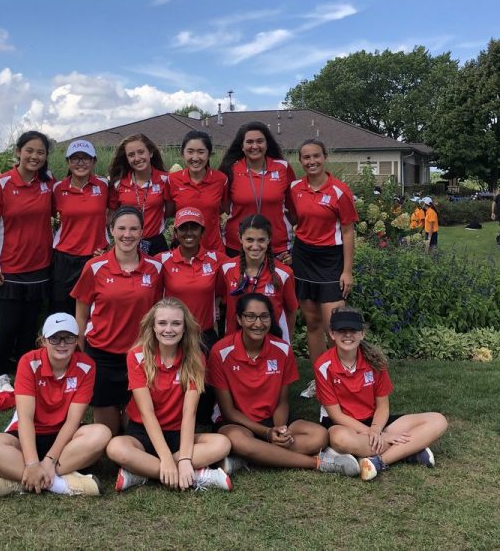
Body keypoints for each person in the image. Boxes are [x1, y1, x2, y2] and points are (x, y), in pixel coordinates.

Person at [207, 293, 359, 477]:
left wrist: (279, 430)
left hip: (273, 420)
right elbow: (228, 411)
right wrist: (267, 432)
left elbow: (282, 402)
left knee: (319, 436)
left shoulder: (282, 349)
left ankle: (252, 456)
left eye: (264, 316)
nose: (258, 323)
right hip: (238, 423)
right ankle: (317, 462)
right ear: (239, 318)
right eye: (250, 316)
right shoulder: (220, 351)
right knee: (237, 440)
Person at [0, 313, 111, 497]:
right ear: (43, 341)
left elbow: (72, 421)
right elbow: (26, 419)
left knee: (102, 434)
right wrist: (31, 463)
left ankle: (22, 481)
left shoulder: (87, 365)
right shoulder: (28, 361)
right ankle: (61, 485)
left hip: (64, 439)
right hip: (27, 436)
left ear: (76, 341)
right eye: (55, 338)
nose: (62, 344)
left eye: (68, 337)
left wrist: (49, 460)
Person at [106, 298, 232, 492]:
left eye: (176, 323)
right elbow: (146, 413)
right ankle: (194, 475)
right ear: (153, 327)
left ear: (184, 328)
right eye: (162, 323)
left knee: (222, 443)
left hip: (179, 433)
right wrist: (166, 458)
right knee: (115, 447)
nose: (169, 329)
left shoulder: (196, 358)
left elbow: (189, 413)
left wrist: (184, 458)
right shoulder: (137, 355)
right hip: (144, 432)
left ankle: (140, 472)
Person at [315, 307, 448, 480]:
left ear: (362, 334)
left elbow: (383, 406)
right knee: (340, 438)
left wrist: (377, 430)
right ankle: (409, 450)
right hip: (344, 426)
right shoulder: (323, 365)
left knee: (438, 420)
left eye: (353, 330)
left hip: (376, 423)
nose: (348, 335)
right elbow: (337, 415)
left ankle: (377, 461)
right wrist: (382, 435)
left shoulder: (374, 360)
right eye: (341, 330)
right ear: (332, 334)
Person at [71, 207, 163, 434]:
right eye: (121, 228)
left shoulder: (156, 268)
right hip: (102, 355)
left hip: (141, 355)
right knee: (107, 432)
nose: (127, 234)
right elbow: (81, 315)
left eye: (134, 229)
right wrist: (80, 350)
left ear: (142, 232)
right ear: (111, 230)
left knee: (134, 429)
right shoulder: (95, 267)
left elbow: (161, 310)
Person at [0, 130, 54, 393]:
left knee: (29, 328)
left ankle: (24, 374)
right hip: (9, 268)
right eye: (30, 151)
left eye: (41, 152)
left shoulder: (48, 184)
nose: (35, 156)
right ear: (18, 152)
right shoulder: (0, 184)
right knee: (9, 326)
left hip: (40, 267)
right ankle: (0, 375)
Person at [287, 139, 358, 398]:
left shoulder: (340, 191)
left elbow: (349, 232)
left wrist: (347, 270)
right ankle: (320, 380)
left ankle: (341, 380)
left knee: (334, 325)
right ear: (300, 160)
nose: (311, 161)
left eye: (316, 156)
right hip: (303, 258)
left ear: (324, 157)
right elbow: (292, 219)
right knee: (313, 323)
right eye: (306, 157)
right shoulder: (294, 188)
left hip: (330, 261)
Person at [219, 122, 296, 260]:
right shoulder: (230, 169)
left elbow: (294, 208)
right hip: (238, 245)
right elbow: (221, 207)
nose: (255, 146)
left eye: (260, 141)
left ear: (267, 144)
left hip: (276, 245)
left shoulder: (283, 168)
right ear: (241, 146)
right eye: (249, 142)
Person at [217, 214, 298, 343]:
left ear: (269, 239)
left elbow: (291, 311)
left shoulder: (284, 274)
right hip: (234, 344)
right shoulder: (227, 269)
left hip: (272, 344)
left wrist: (285, 343)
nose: (255, 246)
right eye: (249, 240)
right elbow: (219, 299)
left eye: (261, 240)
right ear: (240, 238)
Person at [50, 140, 109, 314]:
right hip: (65, 256)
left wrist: (107, 244)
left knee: (93, 308)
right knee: (61, 306)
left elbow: (114, 213)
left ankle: (86, 342)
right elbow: (52, 215)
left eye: (86, 158)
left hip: (95, 256)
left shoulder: (104, 185)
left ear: (94, 162)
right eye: (75, 158)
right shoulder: (58, 188)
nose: (80, 163)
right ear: (68, 162)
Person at [158, 208, 223, 353]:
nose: (188, 233)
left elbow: (241, 269)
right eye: (183, 228)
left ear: (202, 232)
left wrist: (216, 306)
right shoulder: (161, 260)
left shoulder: (217, 259)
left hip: (205, 335)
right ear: (175, 233)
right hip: (172, 336)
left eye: (194, 228)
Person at [108, 133, 171, 256]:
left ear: (150, 153)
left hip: (155, 243)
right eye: (131, 155)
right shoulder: (118, 184)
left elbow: (169, 211)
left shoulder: (165, 180)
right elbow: (111, 217)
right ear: (126, 158)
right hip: (127, 243)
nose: (137, 158)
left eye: (141, 152)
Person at [168, 130, 228, 254]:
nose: (195, 158)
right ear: (182, 153)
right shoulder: (172, 180)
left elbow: (223, 208)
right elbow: (168, 211)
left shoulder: (221, 179)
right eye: (190, 152)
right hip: (182, 251)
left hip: (213, 250)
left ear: (209, 154)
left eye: (201, 152)